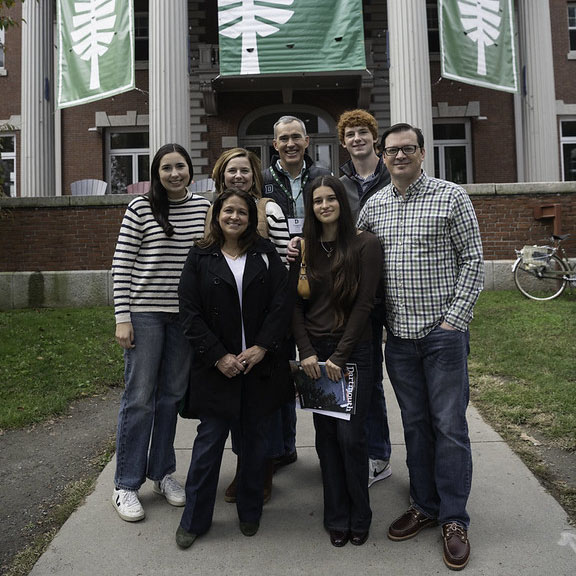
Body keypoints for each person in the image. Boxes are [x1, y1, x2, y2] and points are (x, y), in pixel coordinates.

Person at [357, 123, 484, 570]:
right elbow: (353, 260)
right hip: (401, 339)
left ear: (422, 152)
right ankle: (424, 505)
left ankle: (454, 518)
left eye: (407, 148)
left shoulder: (452, 197)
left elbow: (473, 260)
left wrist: (455, 320)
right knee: (414, 425)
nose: (398, 155)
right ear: (382, 155)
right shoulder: (374, 207)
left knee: (448, 425)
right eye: (391, 150)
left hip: (442, 336)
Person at [175, 188, 293, 549]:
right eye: (228, 211)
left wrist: (262, 348)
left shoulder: (265, 252)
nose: (235, 217)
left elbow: (281, 303)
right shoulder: (200, 255)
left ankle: (250, 512)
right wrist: (218, 356)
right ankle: (194, 519)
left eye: (242, 212)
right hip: (217, 369)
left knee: (255, 446)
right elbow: (189, 313)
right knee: (208, 446)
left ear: (250, 218)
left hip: (257, 367)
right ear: (217, 214)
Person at [111, 143, 210, 522]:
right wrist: (123, 317)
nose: (174, 173)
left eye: (180, 167)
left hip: (184, 318)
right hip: (145, 313)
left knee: (171, 396)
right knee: (140, 397)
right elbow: (122, 264)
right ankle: (126, 483)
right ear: (157, 173)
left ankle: (163, 473)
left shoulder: (203, 209)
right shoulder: (140, 207)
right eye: (166, 168)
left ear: (189, 170)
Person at [292, 175, 382, 548]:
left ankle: (360, 514)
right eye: (317, 200)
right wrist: (307, 352)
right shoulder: (304, 249)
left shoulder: (365, 244)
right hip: (315, 353)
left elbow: (365, 304)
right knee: (326, 436)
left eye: (331, 199)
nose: (325, 205)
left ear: (342, 203)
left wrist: (339, 357)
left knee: (351, 436)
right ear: (310, 207)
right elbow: (294, 307)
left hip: (353, 351)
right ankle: (336, 516)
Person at [209, 147, 290, 503]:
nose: (238, 176)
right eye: (231, 171)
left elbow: (285, 263)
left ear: (254, 175)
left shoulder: (269, 209)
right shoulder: (213, 210)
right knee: (238, 401)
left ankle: (265, 467)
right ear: (221, 175)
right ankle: (245, 465)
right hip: (227, 321)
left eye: (244, 171)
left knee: (267, 401)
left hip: (265, 318)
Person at [262, 115, 332, 471]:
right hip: (275, 284)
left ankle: (329, 453)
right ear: (274, 145)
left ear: (307, 141)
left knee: (316, 365)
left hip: (316, 283)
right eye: (283, 139)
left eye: (296, 137)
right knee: (279, 370)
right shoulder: (261, 180)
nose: (290, 144)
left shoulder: (322, 176)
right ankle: (282, 448)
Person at [337, 109, 392, 487]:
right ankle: (374, 454)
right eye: (350, 134)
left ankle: (379, 453)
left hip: (397, 286)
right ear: (343, 142)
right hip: (356, 294)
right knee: (365, 378)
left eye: (363, 132)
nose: (357, 138)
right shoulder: (339, 184)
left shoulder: (394, 174)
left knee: (384, 379)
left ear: (375, 137)